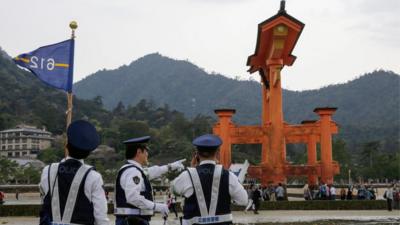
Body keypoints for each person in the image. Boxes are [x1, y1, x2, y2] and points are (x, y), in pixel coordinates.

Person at [39, 120, 109, 225]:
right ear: (88, 153)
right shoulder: (93, 177)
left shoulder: (48, 171)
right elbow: (101, 217)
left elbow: (44, 201)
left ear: (67, 145)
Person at [171, 134, 248, 225]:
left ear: (196, 154)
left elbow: (174, 190)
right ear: (217, 153)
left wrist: (191, 170)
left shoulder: (187, 175)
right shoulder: (229, 175)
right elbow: (243, 201)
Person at [114, 135, 186, 225]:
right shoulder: (133, 172)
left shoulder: (131, 169)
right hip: (132, 221)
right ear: (139, 152)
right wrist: (157, 206)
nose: (147, 154)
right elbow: (133, 197)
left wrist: (170, 166)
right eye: (146, 151)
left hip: (131, 220)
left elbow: (151, 172)